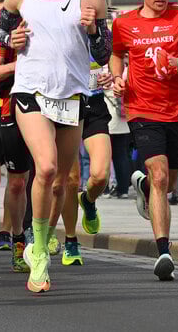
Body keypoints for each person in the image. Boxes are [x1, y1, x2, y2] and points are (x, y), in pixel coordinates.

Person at [0, 0, 109, 293]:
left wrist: (93, 31)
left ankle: (41, 239)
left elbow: (105, 53)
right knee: (45, 167)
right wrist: (11, 37)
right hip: (31, 92)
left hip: (72, 97)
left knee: (60, 182)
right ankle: (39, 252)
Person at [110, 0, 178, 282]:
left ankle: (142, 185)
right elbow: (116, 53)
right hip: (142, 109)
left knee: (168, 183)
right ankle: (164, 251)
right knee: (161, 174)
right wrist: (117, 78)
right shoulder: (124, 23)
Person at [0, 0, 33, 274]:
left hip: (52, 109)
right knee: (16, 183)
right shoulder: (5, 32)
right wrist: (19, 65)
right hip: (9, 109)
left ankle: (42, 237)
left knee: (52, 175)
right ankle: (18, 237)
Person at [49, 59, 114, 265]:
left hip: (93, 104)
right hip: (65, 104)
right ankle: (70, 239)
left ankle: (88, 200)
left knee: (101, 175)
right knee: (70, 179)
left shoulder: (98, 35)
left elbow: (111, 56)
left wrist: (110, 75)